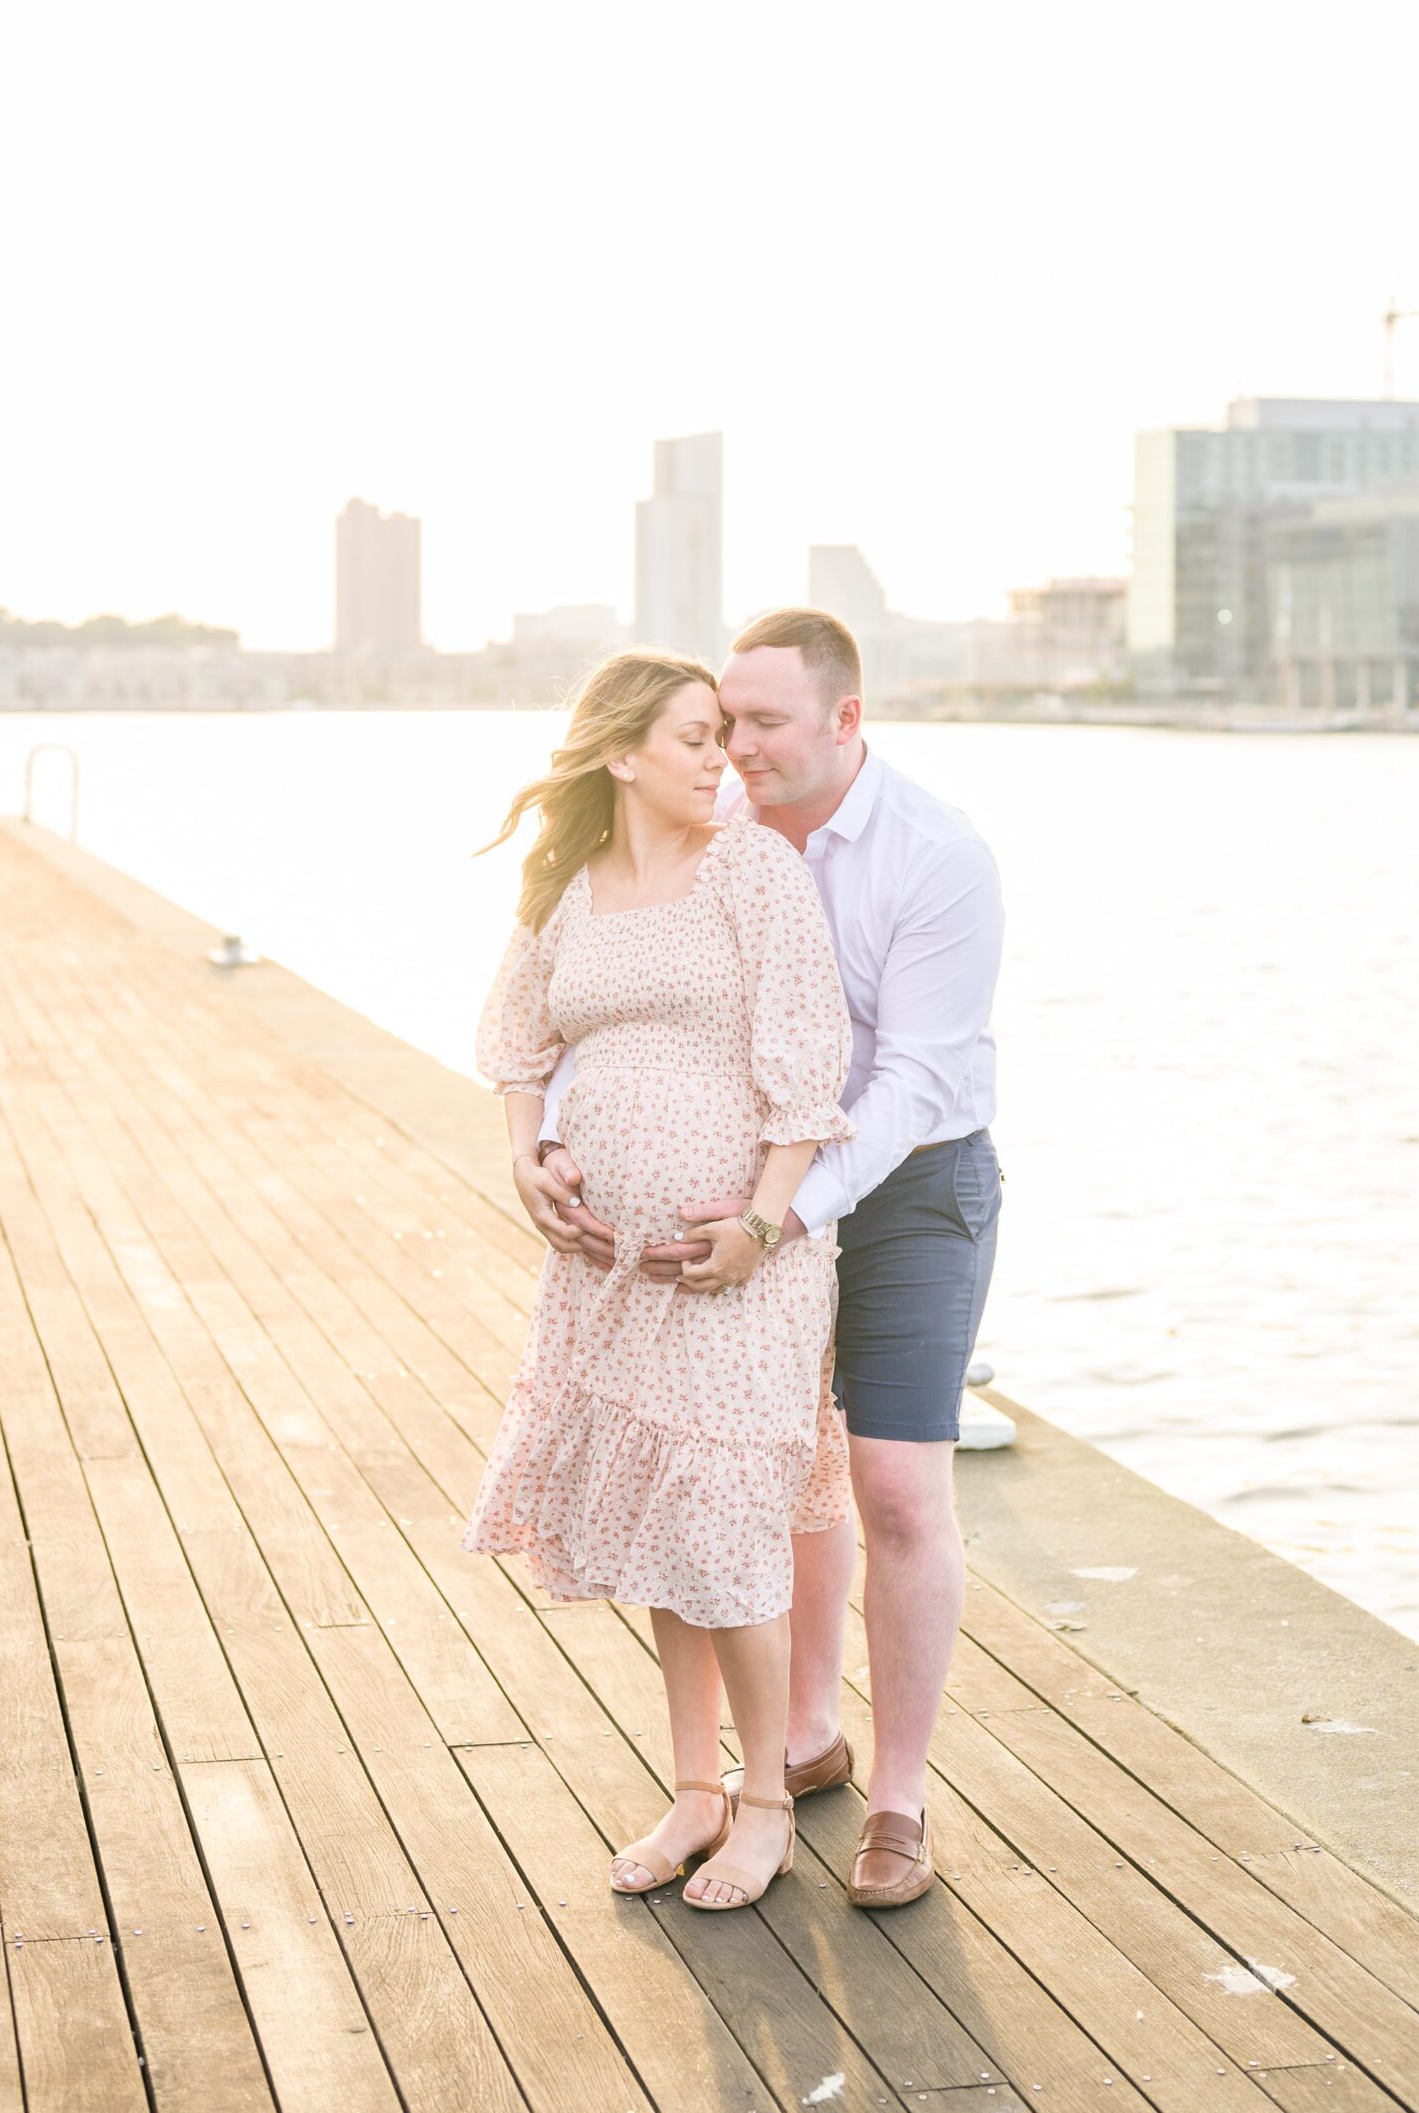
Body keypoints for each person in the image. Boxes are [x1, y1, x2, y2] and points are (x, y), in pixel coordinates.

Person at [523, 608, 1004, 1908]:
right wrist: (556, 1134)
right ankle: (792, 1743)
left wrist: (777, 1217)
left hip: (901, 1182)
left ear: (845, 722)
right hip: (736, 1211)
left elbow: (904, 1083)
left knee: (891, 1483)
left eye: (762, 724)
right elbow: (602, 1002)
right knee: (764, 1478)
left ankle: (895, 1803)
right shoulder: (704, 832)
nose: (733, 745)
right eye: (718, 723)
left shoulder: (932, 857)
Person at [462, 648, 857, 1913]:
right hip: (606, 1273)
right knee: (659, 1529)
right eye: (694, 736)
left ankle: (764, 1806)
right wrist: (528, 1157)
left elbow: (808, 1072)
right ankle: (693, 1791)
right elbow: (517, 1040)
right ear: (622, 752)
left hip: (738, 1268)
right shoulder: (565, 882)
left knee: (728, 1529)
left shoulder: (751, 868)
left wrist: (757, 1219)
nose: (721, 757)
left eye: (725, 735)